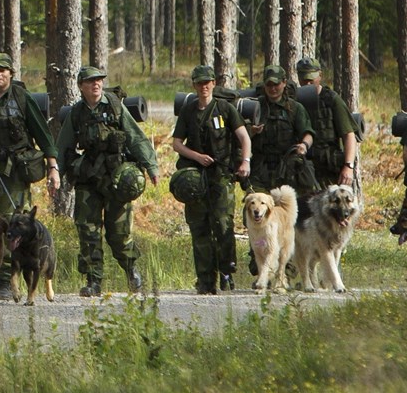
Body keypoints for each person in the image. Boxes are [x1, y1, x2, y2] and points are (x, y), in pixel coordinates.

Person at [0, 53, 59, 299]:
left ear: (11, 73)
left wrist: (52, 167)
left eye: (3, 70)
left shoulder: (22, 98)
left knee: (12, 224)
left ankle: (6, 280)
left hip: (14, 170)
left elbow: (42, 133)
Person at [56, 66, 157, 297]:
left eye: (100, 80)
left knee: (119, 234)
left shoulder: (115, 107)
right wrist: (55, 174)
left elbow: (135, 138)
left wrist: (151, 166)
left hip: (116, 180)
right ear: (81, 86)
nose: (96, 84)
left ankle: (132, 272)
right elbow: (63, 147)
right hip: (88, 180)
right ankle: (93, 281)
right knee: (88, 231)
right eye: (91, 81)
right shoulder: (76, 113)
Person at [170, 65, 252, 294]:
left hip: (221, 175)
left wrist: (245, 162)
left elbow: (243, 137)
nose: (203, 87)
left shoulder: (225, 109)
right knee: (199, 228)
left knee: (223, 224)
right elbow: (177, 143)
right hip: (196, 178)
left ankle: (227, 272)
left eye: (207, 83)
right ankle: (205, 279)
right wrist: (196, 156)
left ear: (213, 84)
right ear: (194, 85)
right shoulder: (188, 110)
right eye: (199, 83)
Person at [245, 65, 317, 196]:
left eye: (276, 84)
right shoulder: (254, 106)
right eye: (269, 85)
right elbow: (241, 135)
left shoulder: (295, 108)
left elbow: (308, 133)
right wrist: (252, 131)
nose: (272, 89)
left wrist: (304, 145)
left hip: (287, 170)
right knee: (255, 209)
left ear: (284, 83)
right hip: (260, 169)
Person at [294, 59, 361, 189]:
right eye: (304, 79)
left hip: (328, 167)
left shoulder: (331, 99)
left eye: (311, 79)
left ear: (320, 75)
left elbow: (348, 135)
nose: (307, 83)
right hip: (303, 166)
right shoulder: (295, 100)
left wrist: (348, 166)